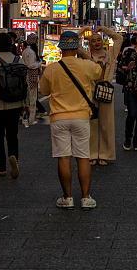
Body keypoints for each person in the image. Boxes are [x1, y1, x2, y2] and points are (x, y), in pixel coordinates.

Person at [39, 30, 102, 209]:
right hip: (81, 117)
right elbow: (99, 72)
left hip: (59, 117)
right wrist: (84, 55)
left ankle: (67, 198)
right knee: (83, 157)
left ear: (60, 48)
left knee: (63, 158)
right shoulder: (85, 65)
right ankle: (85, 197)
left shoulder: (52, 69)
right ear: (76, 47)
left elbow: (44, 91)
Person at [85, 25, 123, 166]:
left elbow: (119, 38)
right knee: (92, 124)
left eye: (99, 40)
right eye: (93, 40)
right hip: (90, 93)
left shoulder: (110, 55)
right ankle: (92, 154)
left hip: (106, 92)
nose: (97, 42)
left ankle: (105, 154)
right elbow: (74, 43)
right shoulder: (86, 56)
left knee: (107, 125)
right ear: (89, 43)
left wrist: (104, 29)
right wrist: (83, 30)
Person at [0, 32, 25, 179]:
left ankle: (1, 167)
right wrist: (26, 104)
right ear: (11, 44)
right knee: (12, 134)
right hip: (16, 104)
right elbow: (25, 85)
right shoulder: (19, 61)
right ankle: (14, 158)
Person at [22, 33, 43, 125]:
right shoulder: (31, 52)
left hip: (28, 76)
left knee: (27, 100)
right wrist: (39, 64)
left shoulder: (26, 51)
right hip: (31, 76)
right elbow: (30, 65)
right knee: (32, 99)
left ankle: (26, 119)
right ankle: (31, 119)